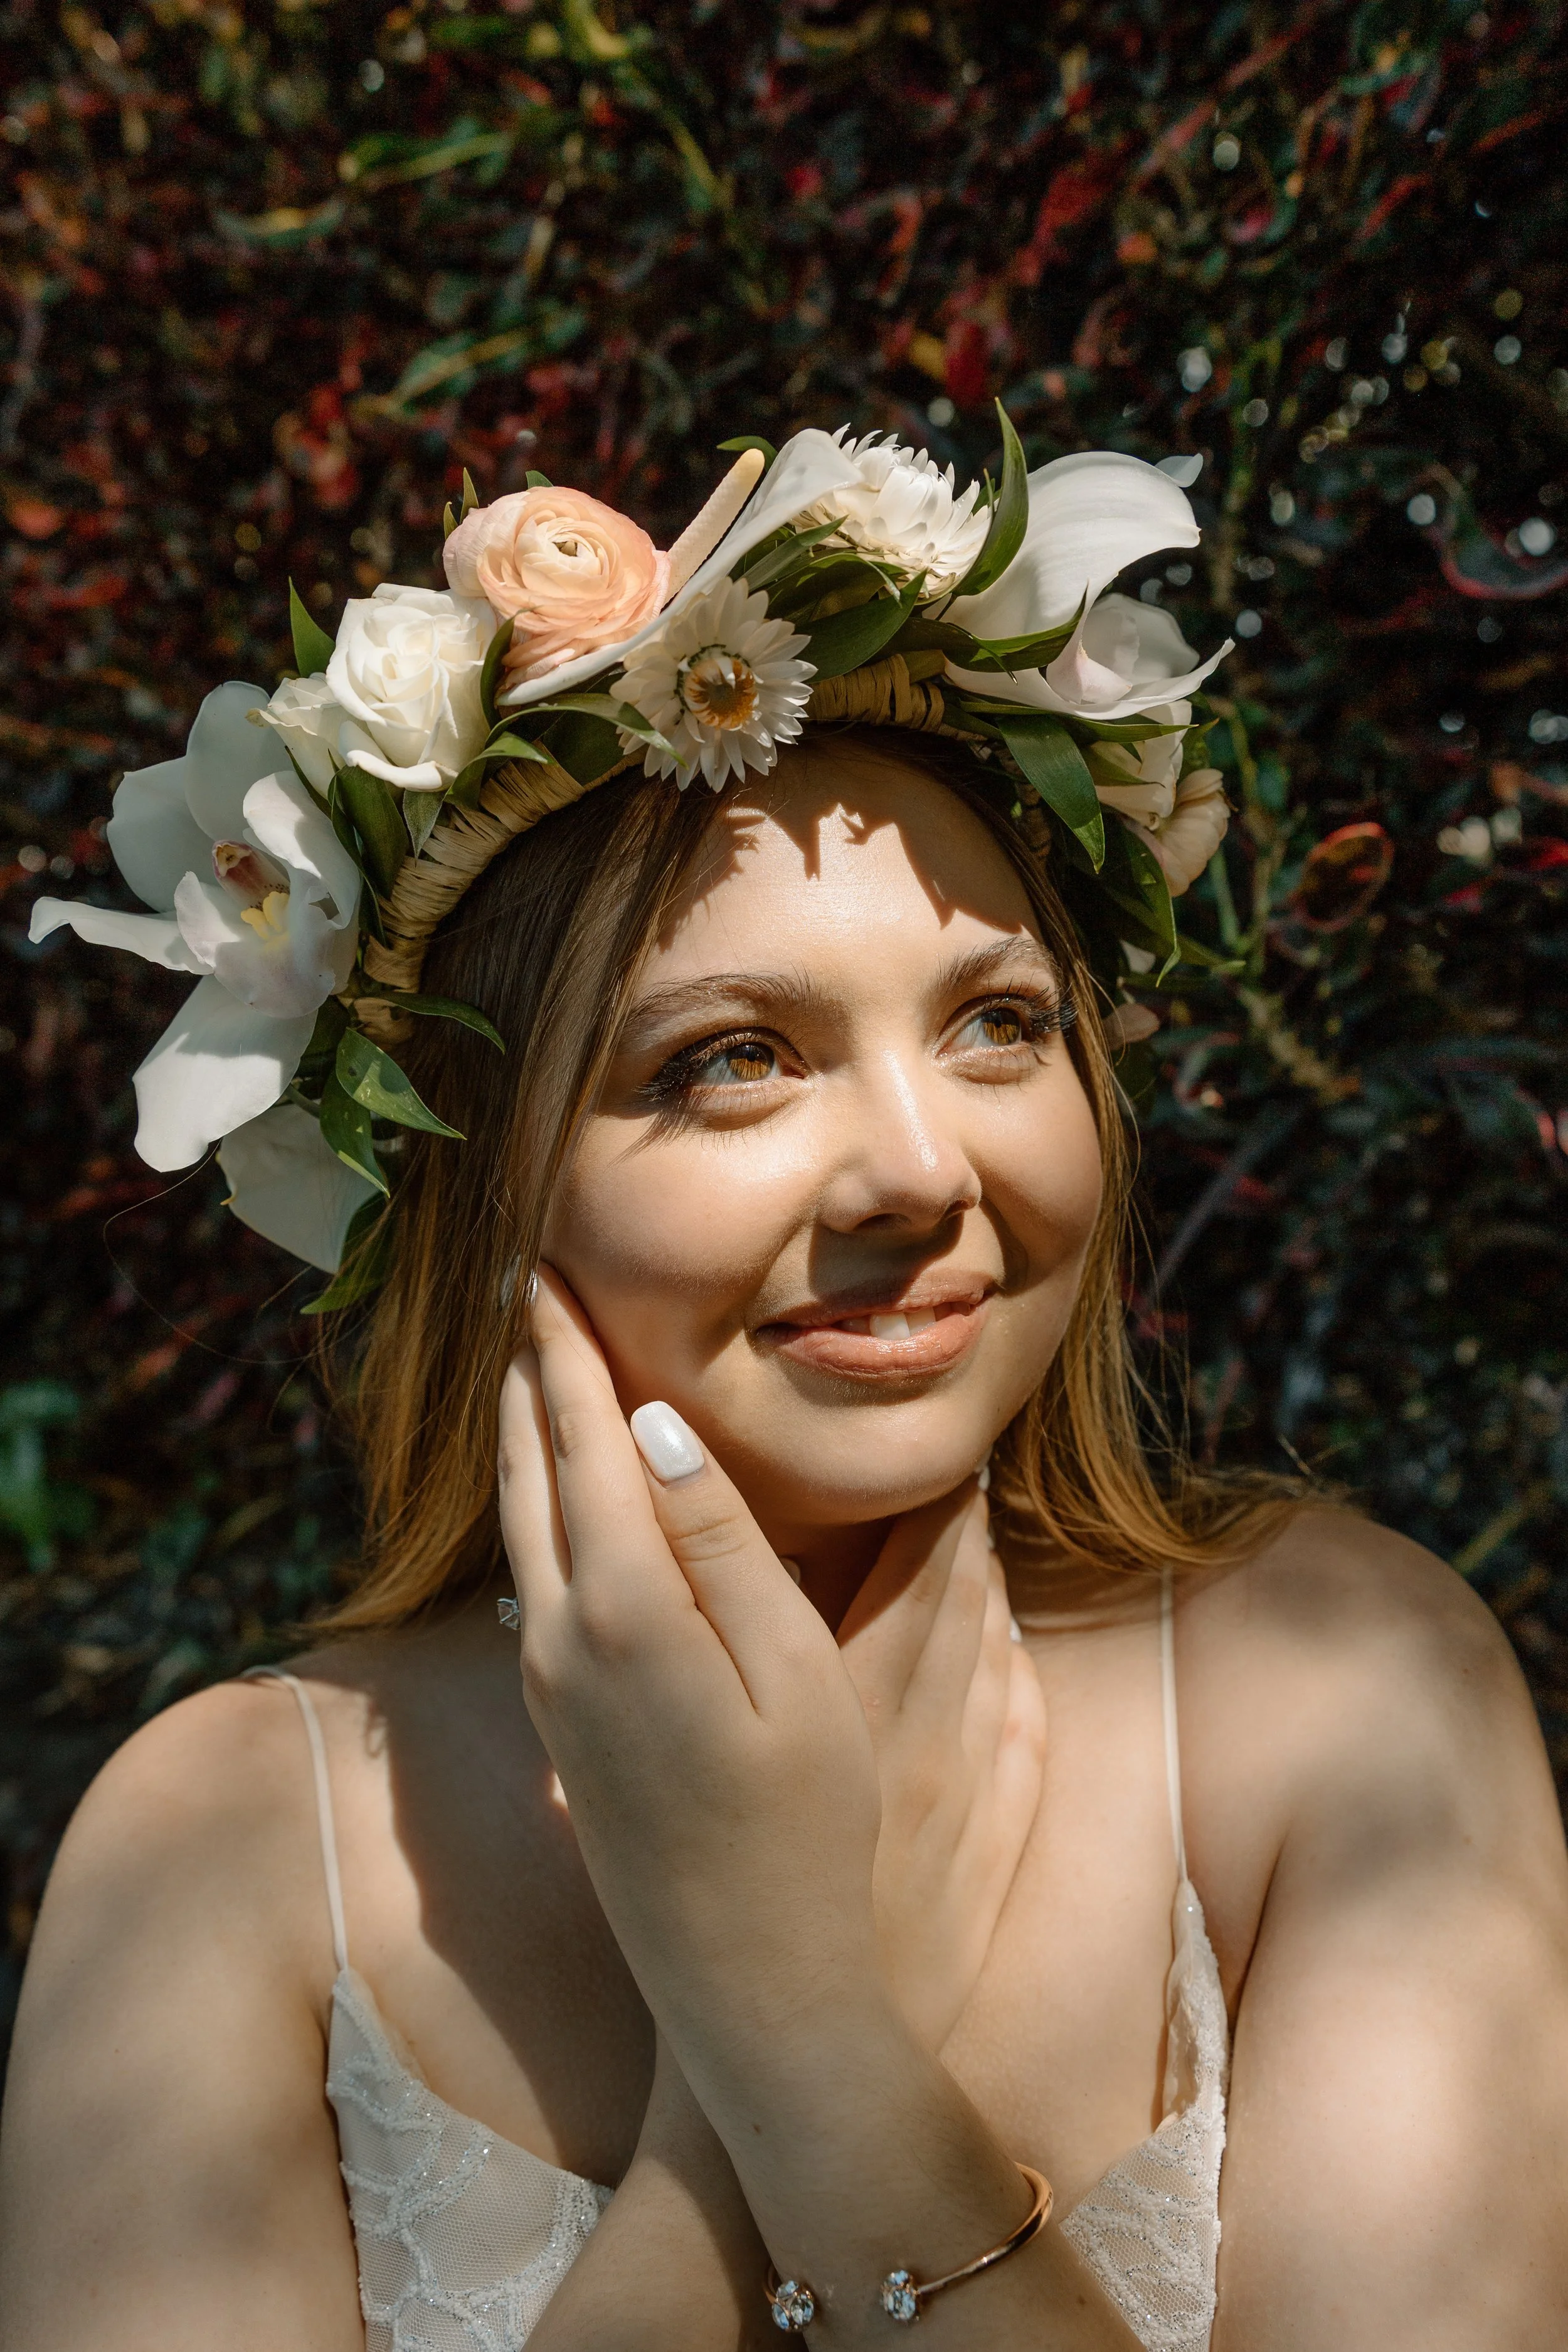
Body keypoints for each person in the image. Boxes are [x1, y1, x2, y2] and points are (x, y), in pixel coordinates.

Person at [3, 433, 1566, 2352]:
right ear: (466, 1175)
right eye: (731, 1059)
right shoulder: (222, 1848)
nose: (921, 1170)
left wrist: (812, 2046)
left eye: (999, 1022)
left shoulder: (1340, 1693)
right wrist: (735, 2095)